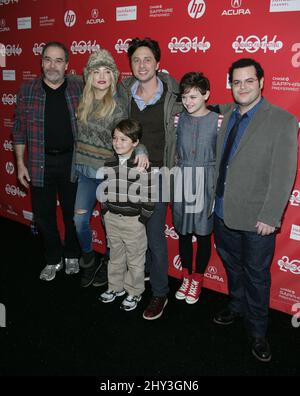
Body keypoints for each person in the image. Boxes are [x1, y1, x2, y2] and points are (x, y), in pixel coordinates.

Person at [212, 58, 298, 362]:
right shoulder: (227, 115)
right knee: (232, 266)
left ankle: (259, 332)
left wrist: (271, 216)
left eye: (249, 80)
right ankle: (236, 306)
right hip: (221, 212)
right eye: (237, 82)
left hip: (257, 220)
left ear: (262, 82)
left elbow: (284, 174)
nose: (243, 87)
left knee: (257, 276)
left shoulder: (283, 120)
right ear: (230, 85)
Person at [118, 37, 182, 320]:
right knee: (132, 233)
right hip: (129, 175)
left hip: (158, 176)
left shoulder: (173, 94)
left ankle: (159, 293)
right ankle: (138, 277)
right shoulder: (124, 93)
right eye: (136, 60)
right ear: (130, 65)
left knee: (155, 236)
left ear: (158, 63)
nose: (141, 65)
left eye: (147, 59)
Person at [74, 50, 148, 288]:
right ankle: (88, 259)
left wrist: (142, 150)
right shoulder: (81, 102)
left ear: (114, 75)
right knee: (79, 222)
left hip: (109, 175)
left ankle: (109, 264)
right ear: (89, 76)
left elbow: (130, 134)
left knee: (111, 227)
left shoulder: (118, 106)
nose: (102, 76)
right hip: (85, 173)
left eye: (107, 71)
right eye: (96, 71)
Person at [13, 41, 83, 281]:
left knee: (73, 213)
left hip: (72, 162)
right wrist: (21, 164)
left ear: (67, 65)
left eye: (58, 60)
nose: (52, 65)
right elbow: (20, 129)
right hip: (39, 162)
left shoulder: (79, 87)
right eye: (48, 59)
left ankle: (72, 253)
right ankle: (53, 258)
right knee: (43, 215)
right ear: (41, 62)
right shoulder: (28, 90)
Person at [98, 119, 155, 311]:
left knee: (135, 260)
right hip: (112, 219)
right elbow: (104, 190)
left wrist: (142, 220)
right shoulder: (109, 163)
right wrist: (105, 211)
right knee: (115, 256)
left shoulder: (142, 166)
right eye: (115, 138)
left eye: (123, 139)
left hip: (134, 223)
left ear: (135, 142)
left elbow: (149, 195)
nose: (117, 143)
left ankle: (134, 291)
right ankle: (115, 287)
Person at [172, 72, 220, 304]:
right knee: (182, 232)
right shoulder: (177, 119)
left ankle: (198, 279)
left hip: (206, 180)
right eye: (185, 97)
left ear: (206, 95)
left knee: (202, 234)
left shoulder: (218, 121)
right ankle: (185, 276)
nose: (188, 102)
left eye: (194, 96)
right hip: (181, 178)